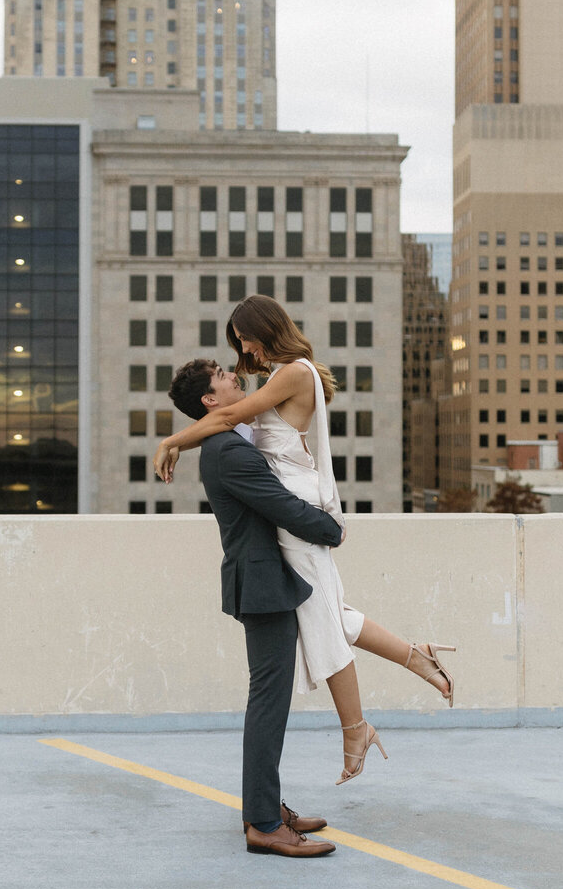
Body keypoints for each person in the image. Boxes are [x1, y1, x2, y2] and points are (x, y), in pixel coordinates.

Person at [156, 295, 456, 785]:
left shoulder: (293, 373)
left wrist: (170, 442)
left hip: (295, 507)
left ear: (264, 330)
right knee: (329, 611)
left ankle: (355, 729)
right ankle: (415, 656)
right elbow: (224, 418)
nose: (243, 350)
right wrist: (175, 441)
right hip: (289, 506)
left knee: (320, 618)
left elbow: (227, 418)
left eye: (245, 338)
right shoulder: (284, 376)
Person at [166, 357, 341, 859]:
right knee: (268, 702)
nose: (233, 374)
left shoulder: (225, 441)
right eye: (223, 374)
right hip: (262, 583)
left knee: (269, 700)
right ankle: (264, 824)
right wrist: (333, 530)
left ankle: (262, 808)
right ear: (209, 400)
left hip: (262, 579)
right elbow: (281, 505)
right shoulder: (227, 452)